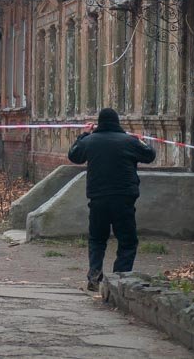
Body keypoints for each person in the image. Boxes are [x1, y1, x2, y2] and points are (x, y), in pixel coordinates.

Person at [67, 108, 156, 291]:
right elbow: (150, 155)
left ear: (99, 123)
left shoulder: (90, 141)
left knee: (97, 239)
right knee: (127, 241)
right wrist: (140, 140)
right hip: (124, 199)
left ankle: (94, 274)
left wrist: (83, 135)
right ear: (117, 123)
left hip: (98, 199)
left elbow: (74, 155)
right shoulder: (129, 141)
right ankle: (119, 278)